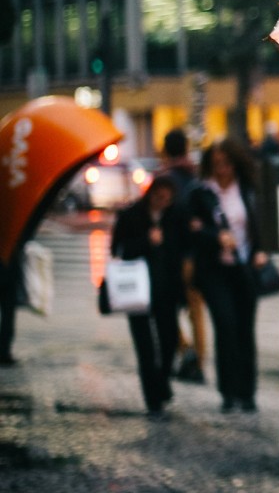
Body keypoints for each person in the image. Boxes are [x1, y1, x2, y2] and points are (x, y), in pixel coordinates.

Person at [187, 138, 268, 413]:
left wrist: (260, 250)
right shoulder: (202, 193)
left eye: (227, 163)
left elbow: (259, 224)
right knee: (225, 326)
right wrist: (215, 237)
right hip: (215, 271)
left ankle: (247, 393)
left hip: (244, 268)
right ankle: (228, 392)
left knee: (245, 329)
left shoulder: (246, 189)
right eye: (217, 164)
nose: (222, 169)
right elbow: (192, 231)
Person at [109, 175, 189, 419]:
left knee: (168, 343)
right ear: (151, 194)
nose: (163, 202)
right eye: (159, 196)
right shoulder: (131, 215)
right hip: (137, 291)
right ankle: (153, 400)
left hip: (167, 290)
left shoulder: (175, 217)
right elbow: (118, 249)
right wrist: (146, 241)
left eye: (168, 198)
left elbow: (182, 250)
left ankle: (162, 383)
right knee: (145, 348)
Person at [159, 128, 207, 384]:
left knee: (165, 307)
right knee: (195, 309)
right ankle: (198, 362)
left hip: (173, 255)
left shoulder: (164, 181)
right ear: (186, 149)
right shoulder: (195, 177)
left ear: (166, 150)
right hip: (196, 254)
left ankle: (185, 350)